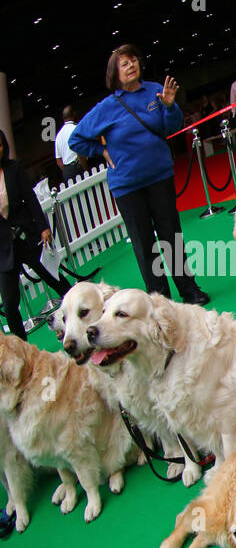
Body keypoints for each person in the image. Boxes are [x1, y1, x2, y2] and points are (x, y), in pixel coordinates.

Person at [70, 44, 208, 305]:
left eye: (134, 60)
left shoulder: (155, 90)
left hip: (160, 177)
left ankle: (189, 290)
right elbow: (76, 139)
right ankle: (160, 300)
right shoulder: (106, 107)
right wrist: (101, 150)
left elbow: (172, 127)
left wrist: (169, 106)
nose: (132, 65)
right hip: (127, 186)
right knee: (145, 244)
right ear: (115, 73)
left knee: (171, 234)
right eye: (125, 63)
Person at [1, 128, 71, 339]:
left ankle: (78, 315)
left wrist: (43, 227)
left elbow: (30, 199)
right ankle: (21, 349)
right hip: (3, 248)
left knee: (54, 279)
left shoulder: (14, 169)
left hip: (27, 237)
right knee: (11, 304)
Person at [54, 106, 86, 183]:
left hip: (67, 172)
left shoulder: (58, 136)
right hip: (78, 166)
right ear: (74, 114)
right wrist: (85, 168)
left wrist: (67, 171)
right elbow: (79, 152)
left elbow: (59, 161)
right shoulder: (76, 128)